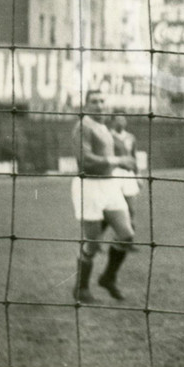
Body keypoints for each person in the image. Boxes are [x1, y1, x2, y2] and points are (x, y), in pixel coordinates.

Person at [70, 90, 136, 303]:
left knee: (126, 235)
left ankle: (108, 277)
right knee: (92, 243)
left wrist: (126, 162)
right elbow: (85, 160)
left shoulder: (103, 127)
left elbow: (118, 154)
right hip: (88, 186)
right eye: (94, 102)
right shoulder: (83, 126)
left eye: (102, 101)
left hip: (109, 185)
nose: (99, 105)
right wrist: (117, 161)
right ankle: (81, 289)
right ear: (86, 105)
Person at [108, 113, 141, 223]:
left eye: (123, 119)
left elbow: (134, 157)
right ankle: (119, 234)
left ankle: (129, 235)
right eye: (119, 119)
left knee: (131, 208)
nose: (122, 122)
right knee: (115, 208)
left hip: (128, 174)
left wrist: (138, 175)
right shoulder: (108, 137)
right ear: (113, 121)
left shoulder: (131, 137)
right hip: (114, 174)